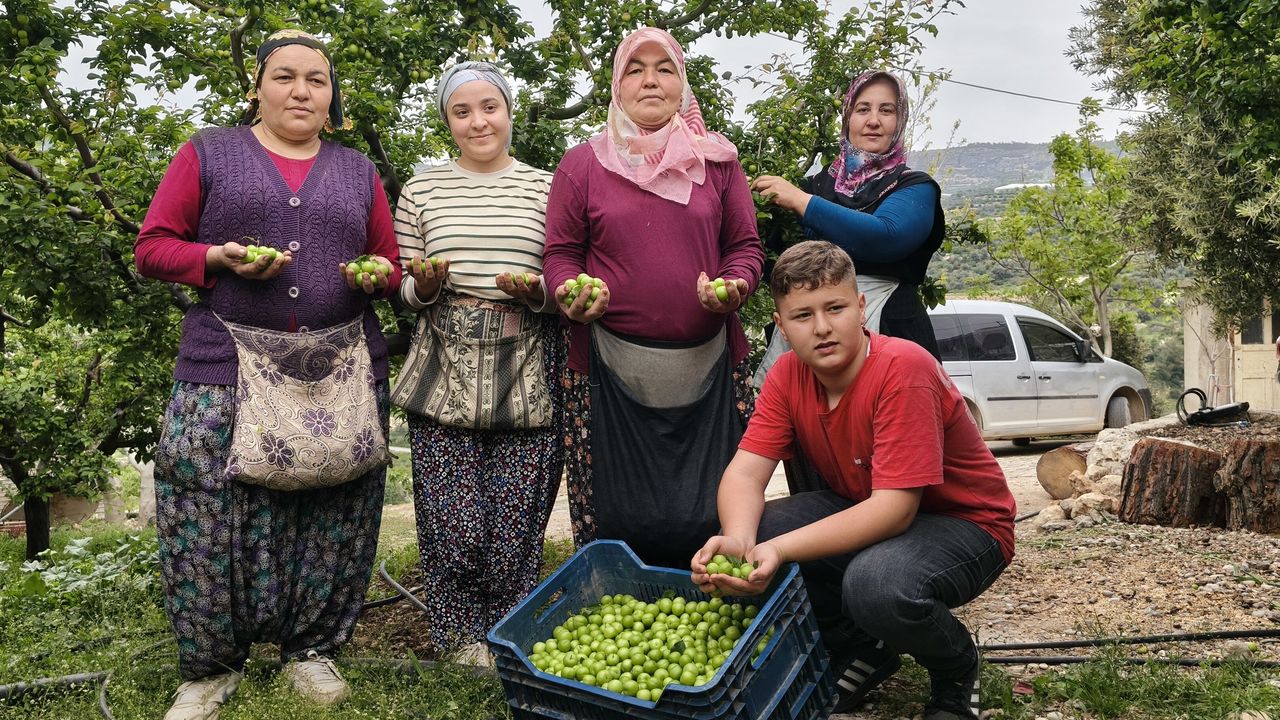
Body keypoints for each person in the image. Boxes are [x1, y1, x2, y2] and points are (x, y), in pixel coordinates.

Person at [134, 29, 401, 720]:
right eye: (285, 77)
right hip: (225, 365)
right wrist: (217, 259)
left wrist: (376, 277)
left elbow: (388, 263)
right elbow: (155, 247)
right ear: (258, 85)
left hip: (337, 370)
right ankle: (208, 669)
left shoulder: (358, 171)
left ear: (331, 94)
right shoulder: (208, 152)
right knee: (205, 508)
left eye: (316, 79)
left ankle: (310, 651)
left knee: (332, 511)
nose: (302, 91)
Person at [691, 241, 1014, 720]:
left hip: (965, 525)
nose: (822, 328)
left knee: (875, 584)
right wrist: (738, 538)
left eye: (835, 308)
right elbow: (744, 473)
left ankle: (955, 670)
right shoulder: (786, 375)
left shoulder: (903, 369)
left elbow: (894, 509)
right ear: (781, 326)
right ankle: (866, 649)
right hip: (869, 512)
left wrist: (778, 551)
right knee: (755, 529)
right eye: (802, 316)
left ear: (861, 307)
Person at [542, 27, 764, 568]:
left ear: (681, 82)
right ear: (617, 85)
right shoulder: (583, 164)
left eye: (663, 68)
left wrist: (735, 284)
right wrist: (570, 294)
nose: (650, 80)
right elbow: (559, 256)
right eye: (635, 69)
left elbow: (745, 247)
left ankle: (721, 596)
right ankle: (617, 589)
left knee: (714, 505)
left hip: (710, 365)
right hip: (605, 369)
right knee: (614, 509)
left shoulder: (718, 162)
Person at [390, 62, 564, 663]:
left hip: (526, 362)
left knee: (516, 517)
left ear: (510, 112)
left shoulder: (549, 187)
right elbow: (404, 290)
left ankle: (507, 634)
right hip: (444, 364)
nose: (477, 121)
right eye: (461, 111)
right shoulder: (422, 190)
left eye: (489, 107)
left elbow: (564, 277)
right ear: (447, 121)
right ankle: (459, 636)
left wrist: (536, 292)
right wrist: (428, 288)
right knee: (451, 519)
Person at [751, 70, 945, 384]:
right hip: (809, 341)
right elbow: (771, 261)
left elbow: (886, 236)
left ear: (900, 120)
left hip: (892, 332)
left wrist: (803, 203)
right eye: (863, 109)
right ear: (847, 117)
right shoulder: (814, 185)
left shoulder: (913, 186)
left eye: (887, 110)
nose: (873, 120)